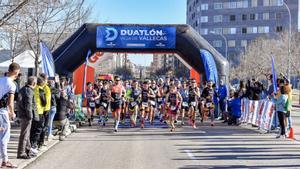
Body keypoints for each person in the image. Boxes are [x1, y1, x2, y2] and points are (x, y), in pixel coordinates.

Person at [0, 63, 20, 168]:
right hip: (2, 112)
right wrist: (12, 113)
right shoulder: (12, 84)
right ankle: (5, 160)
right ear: (16, 72)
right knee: (4, 137)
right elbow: (10, 102)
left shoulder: (1, 79)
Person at [17, 76, 37, 159]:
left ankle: (27, 150)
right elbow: (29, 105)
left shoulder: (23, 89)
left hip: (22, 114)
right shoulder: (29, 91)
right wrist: (30, 116)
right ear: (34, 83)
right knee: (24, 134)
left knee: (26, 133)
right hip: (26, 115)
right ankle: (21, 152)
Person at [47, 75, 60, 140]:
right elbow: (58, 93)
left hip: (46, 107)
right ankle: (49, 134)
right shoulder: (51, 88)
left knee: (47, 121)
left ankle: (48, 133)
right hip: (52, 106)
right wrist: (57, 83)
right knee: (50, 121)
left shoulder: (45, 87)